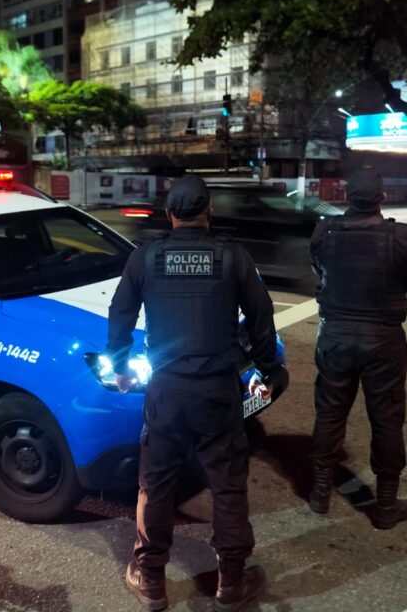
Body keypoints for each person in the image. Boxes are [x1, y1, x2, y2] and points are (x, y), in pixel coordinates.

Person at [107, 174, 285, 612]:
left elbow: (120, 313)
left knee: (156, 484)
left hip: (166, 391)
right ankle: (231, 583)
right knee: (227, 485)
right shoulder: (233, 256)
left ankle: (151, 580)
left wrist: (121, 368)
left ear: (169, 214)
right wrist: (268, 368)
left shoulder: (146, 258)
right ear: (209, 211)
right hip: (217, 392)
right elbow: (260, 316)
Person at [307, 165, 407, 528]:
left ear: (347, 197)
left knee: (329, 414)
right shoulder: (400, 236)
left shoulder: (325, 231)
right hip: (383, 340)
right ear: (382, 197)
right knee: (387, 420)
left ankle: (320, 494)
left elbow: (318, 269)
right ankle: (385, 507)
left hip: (335, 337)